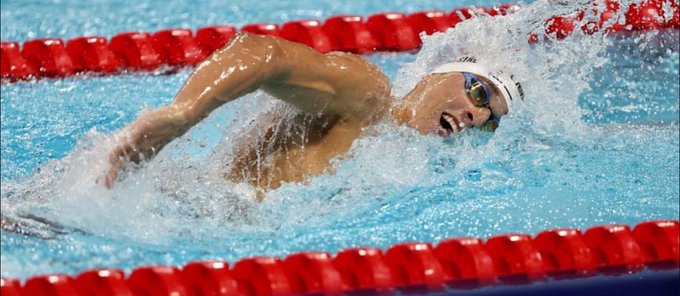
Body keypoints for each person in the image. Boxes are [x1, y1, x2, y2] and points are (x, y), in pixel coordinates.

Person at [104, 33, 523, 192]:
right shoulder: (368, 97)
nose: (475, 116)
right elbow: (261, 53)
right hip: (146, 205)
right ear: (442, 73)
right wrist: (184, 115)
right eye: (480, 94)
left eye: (491, 121)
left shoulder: (399, 165)